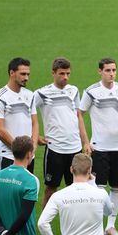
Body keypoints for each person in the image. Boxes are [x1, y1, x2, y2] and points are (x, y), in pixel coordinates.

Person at [79, 57, 118, 235]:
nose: (111, 73)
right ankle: (96, 226)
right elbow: (80, 114)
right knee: (99, 188)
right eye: (108, 70)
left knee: (117, 187)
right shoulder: (91, 92)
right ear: (100, 71)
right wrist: (86, 141)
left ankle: (110, 226)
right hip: (100, 147)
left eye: (114, 70)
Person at [34, 57, 90, 208]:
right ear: (53, 73)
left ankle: (73, 222)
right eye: (62, 73)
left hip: (75, 148)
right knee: (51, 189)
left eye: (68, 73)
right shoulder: (42, 93)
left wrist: (85, 141)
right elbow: (29, 115)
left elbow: (78, 116)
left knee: (75, 188)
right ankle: (45, 222)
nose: (65, 77)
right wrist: (35, 136)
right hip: (55, 149)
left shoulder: (73, 91)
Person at [0, 57, 38, 172]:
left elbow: (35, 123)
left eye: (28, 74)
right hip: (8, 155)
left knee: (26, 189)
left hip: (28, 156)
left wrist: (33, 148)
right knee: (5, 189)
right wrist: (20, 150)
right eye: (23, 74)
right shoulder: (0, 97)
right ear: (12, 73)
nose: (26, 78)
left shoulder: (30, 95)